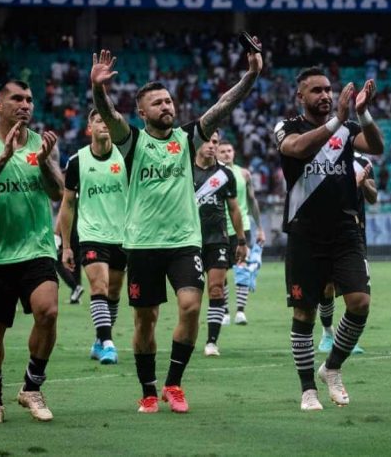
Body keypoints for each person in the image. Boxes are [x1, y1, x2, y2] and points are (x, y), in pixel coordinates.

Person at [90, 45, 262, 414]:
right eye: (157, 103)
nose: (166, 107)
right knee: (145, 320)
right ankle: (148, 390)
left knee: (190, 306)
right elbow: (109, 114)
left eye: (168, 101)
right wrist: (98, 89)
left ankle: (173, 383)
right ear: (142, 113)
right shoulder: (132, 141)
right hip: (142, 244)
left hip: (185, 242)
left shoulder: (186, 138)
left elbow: (222, 107)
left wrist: (250, 75)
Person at [274, 68, 384, 411]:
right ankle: (307, 389)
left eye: (328, 89)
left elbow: (376, 147)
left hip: (345, 230)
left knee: (360, 302)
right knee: (304, 313)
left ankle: (332, 367)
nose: (324, 95)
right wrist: (337, 121)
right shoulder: (287, 127)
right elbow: (295, 148)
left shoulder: (349, 129)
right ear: (300, 96)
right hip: (305, 232)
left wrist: (363, 113)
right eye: (316, 90)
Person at [0, 79, 63, 423]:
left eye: (29, 100)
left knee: (48, 312)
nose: (25, 105)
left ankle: (32, 388)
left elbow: (57, 192)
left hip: (36, 248)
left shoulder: (42, 143)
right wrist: (4, 156)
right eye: (17, 99)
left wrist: (45, 161)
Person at [58, 109, 128, 365]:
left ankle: (100, 340)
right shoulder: (77, 161)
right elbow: (67, 204)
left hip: (122, 235)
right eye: (99, 120)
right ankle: (108, 344)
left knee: (114, 292)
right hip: (91, 235)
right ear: (90, 128)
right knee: (99, 286)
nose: (104, 124)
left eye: (108, 120)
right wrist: (66, 246)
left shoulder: (126, 156)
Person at [318, 151, 376, 354]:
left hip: (354, 234)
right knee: (327, 288)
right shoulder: (321, 157)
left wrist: (364, 183)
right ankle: (327, 333)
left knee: (355, 290)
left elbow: (373, 197)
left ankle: (347, 338)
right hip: (324, 231)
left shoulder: (363, 161)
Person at [194, 131, 247, 357]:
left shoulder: (225, 174)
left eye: (214, 142)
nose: (211, 145)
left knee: (216, 289)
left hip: (218, 239)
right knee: (191, 297)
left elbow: (234, 209)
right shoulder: (184, 171)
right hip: (189, 240)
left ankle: (211, 342)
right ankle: (188, 338)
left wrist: (241, 240)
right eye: (207, 141)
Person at [216, 140, 266, 325]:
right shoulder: (213, 175)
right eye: (222, 151)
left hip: (242, 227)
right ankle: (224, 311)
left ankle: (240, 312)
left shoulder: (244, 174)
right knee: (220, 271)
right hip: (219, 228)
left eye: (229, 150)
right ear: (216, 154)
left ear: (234, 153)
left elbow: (252, 200)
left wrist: (259, 227)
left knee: (242, 267)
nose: (226, 154)